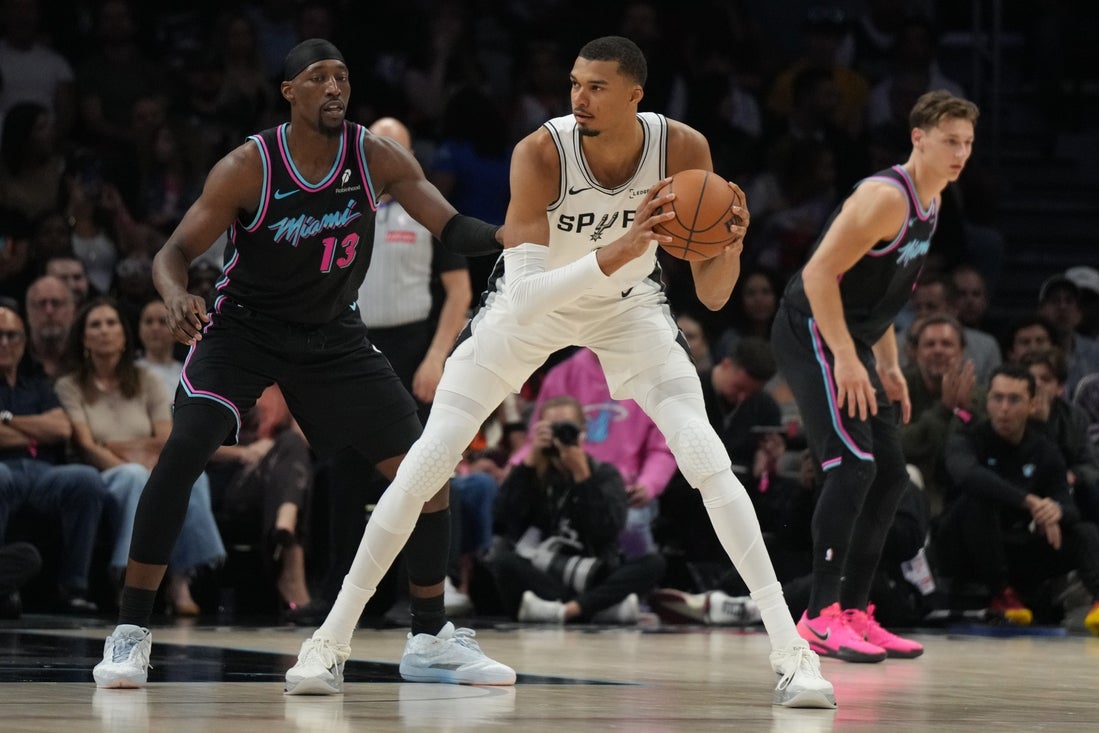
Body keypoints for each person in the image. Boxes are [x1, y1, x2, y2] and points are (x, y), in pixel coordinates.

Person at [283, 35, 834, 708]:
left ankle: (791, 652)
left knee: (705, 454)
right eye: (575, 83)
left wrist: (730, 243)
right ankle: (329, 642)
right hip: (531, 307)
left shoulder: (682, 148)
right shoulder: (542, 151)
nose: (579, 97)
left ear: (635, 96)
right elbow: (524, 297)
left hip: (627, 308)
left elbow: (715, 296)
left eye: (597, 87)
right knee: (427, 460)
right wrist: (621, 248)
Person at [91, 38, 513, 692]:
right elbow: (172, 252)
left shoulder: (376, 155)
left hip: (331, 333)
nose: (334, 87)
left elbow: (451, 226)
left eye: (342, 76)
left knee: (428, 472)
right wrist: (175, 296)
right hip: (245, 328)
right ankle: (130, 632)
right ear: (289, 91)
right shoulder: (248, 166)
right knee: (184, 451)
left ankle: (429, 637)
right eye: (318, 77)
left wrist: (509, 234)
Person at [770, 89, 979, 663]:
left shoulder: (932, 201)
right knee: (853, 465)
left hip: (852, 335)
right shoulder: (886, 197)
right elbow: (818, 275)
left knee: (889, 474)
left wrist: (887, 364)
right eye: (950, 141)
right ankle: (818, 616)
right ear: (918, 138)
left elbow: (882, 292)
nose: (961, 153)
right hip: (810, 329)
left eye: (967, 143)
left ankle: (856, 613)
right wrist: (844, 356)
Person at [55, 297, 226, 617]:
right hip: (103, 474)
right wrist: (133, 462)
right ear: (83, 338)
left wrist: (120, 448)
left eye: (111, 323)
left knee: (193, 477)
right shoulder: (70, 385)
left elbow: (165, 440)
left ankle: (180, 582)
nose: (104, 331)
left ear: (124, 334)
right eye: (95, 325)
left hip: (147, 467)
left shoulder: (146, 379)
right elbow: (87, 445)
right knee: (134, 477)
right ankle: (126, 580)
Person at [935, 364, 1099, 634]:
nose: (1004, 408)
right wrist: (1029, 501)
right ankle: (1001, 593)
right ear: (987, 401)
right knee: (979, 499)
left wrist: (1054, 510)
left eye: (1014, 400)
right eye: (997, 398)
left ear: (1032, 405)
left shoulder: (1043, 449)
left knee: (1086, 531)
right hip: (965, 549)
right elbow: (968, 476)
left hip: (1016, 547)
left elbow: (1067, 504)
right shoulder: (967, 438)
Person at [493, 395, 665, 624]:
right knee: (502, 559)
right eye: (552, 429)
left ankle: (566, 610)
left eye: (567, 428)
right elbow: (503, 520)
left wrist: (582, 475)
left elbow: (607, 532)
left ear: (583, 431)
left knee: (653, 563)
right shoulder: (532, 472)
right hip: (541, 568)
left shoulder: (604, 473)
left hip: (592, 569)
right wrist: (530, 459)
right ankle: (595, 609)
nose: (559, 436)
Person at [511, 347, 678, 559]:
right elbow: (537, 436)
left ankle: (636, 576)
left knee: (631, 525)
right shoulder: (563, 374)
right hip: (565, 484)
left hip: (626, 490)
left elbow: (663, 447)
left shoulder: (652, 377)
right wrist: (514, 468)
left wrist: (649, 484)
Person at [0, 303, 108, 613]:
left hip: (43, 472)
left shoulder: (38, 385)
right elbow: (48, 429)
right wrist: (37, 431)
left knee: (85, 479)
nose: (5, 343)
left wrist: (7, 419)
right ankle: (4, 584)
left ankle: (74, 589)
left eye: (12, 335)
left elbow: (61, 429)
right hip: (5, 469)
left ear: (24, 341)